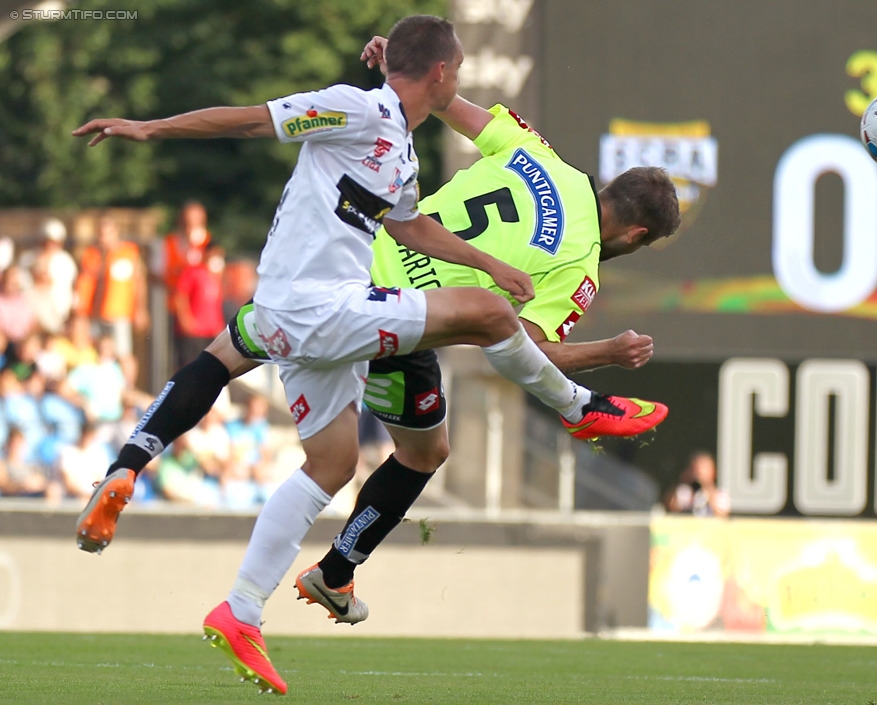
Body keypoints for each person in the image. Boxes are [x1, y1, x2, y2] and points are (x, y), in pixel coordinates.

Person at [72, 15, 666, 695]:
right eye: (457, 66)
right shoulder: (356, 109)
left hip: (292, 313)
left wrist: (484, 262)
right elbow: (253, 120)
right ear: (442, 72)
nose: (459, 76)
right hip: (337, 307)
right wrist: (150, 128)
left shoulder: (411, 154)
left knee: (329, 461)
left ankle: (229, 595)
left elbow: (410, 222)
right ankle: (579, 408)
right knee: (486, 323)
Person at [74, 215, 149, 359]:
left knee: (123, 353)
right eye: (101, 234)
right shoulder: (90, 254)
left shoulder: (129, 253)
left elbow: (140, 282)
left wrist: (141, 310)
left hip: (119, 312)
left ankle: (128, 382)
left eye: (108, 233)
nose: (104, 238)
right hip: (94, 313)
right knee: (95, 353)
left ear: (116, 232)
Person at [172, 241, 226, 368]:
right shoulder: (193, 272)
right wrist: (185, 319)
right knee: (189, 365)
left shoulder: (215, 277)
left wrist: (219, 324)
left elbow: (216, 303)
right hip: (193, 332)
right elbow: (180, 296)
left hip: (210, 332)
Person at [664, 451, 731, 517]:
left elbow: (722, 516)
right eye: (695, 469)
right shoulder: (683, 492)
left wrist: (709, 496)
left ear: (713, 471)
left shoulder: (720, 495)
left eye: (704, 469)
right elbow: (670, 508)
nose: (699, 473)